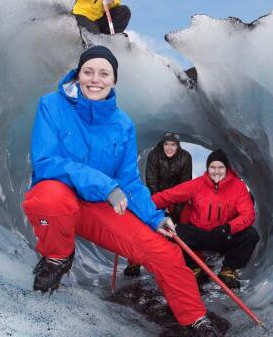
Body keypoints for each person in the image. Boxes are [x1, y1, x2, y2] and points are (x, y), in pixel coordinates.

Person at [21, 45, 220, 336]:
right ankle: (57, 257)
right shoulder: (52, 105)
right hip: (60, 198)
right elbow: (46, 162)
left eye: (104, 73)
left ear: (114, 80)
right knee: (48, 198)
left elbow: (128, 181)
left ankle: (195, 319)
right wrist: (105, 184)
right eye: (88, 71)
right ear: (78, 74)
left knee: (163, 251)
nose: (95, 79)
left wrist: (155, 219)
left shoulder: (122, 124)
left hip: (99, 208)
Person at [152, 149, 260, 289]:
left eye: (220, 167)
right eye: (212, 167)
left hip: (224, 235)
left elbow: (248, 215)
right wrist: (144, 206)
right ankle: (195, 267)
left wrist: (229, 227)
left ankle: (228, 271)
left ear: (226, 168)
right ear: (208, 168)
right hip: (200, 234)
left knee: (250, 235)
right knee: (176, 231)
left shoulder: (238, 187)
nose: (216, 171)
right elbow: (168, 196)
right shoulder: (198, 184)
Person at [123, 132, 193, 277]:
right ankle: (134, 262)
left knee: (184, 223)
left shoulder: (185, 157)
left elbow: (185, 185)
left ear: (178, 146)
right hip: (157, 195)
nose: (169, 148)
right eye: (167, 144)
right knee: (145, 224)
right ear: (163, 144)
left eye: (173, 145)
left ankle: (188, 261)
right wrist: (159, 206)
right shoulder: (154, 155)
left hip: (177, 197)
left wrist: (176, 212)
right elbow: (151, 181)